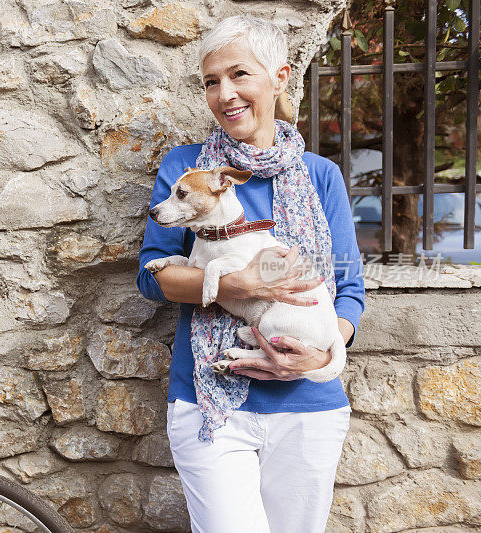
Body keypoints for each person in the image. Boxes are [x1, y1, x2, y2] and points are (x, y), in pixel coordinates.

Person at [136, 15, 365, 533]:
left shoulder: (320, 175)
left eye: (239, 74)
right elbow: (153, 277)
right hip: (210, 402)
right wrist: (236, 286)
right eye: (212, 81)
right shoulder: (185, 169)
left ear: (280, 77)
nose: (225, 94)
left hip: (308, 403)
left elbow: (348, 288)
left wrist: (323, 351)